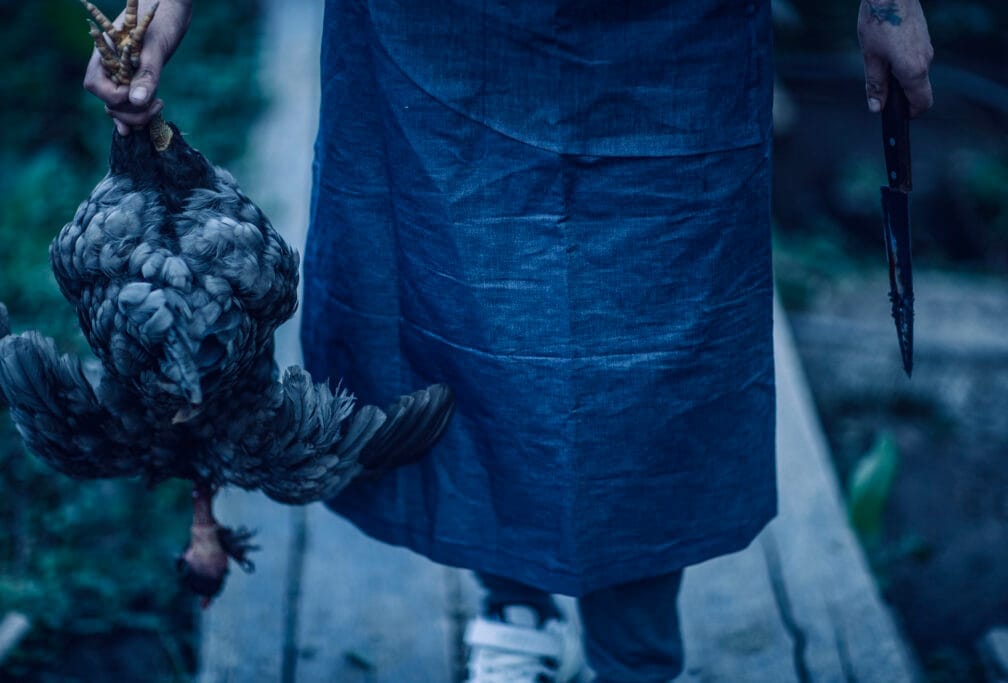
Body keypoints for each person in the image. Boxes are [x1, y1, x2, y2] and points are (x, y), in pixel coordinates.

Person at [86, 1, 934, 681]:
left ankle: (636, 656)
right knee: (455, 292)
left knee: (653, 322)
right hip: (441, 32)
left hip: (668, 37)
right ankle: (513, 606)